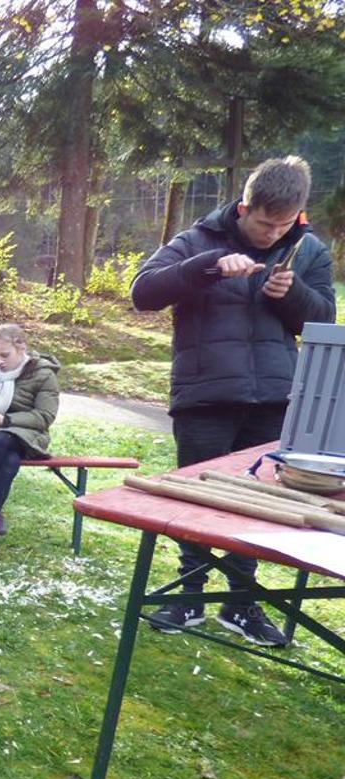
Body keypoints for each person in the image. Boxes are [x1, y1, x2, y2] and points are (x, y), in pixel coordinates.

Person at [131, 155, 336, 647]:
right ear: (244, 208)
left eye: (283, 225)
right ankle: (188, 597)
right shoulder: (198, 240)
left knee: (260, 505)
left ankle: (240, 604)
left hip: (274, 400)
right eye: (265, 224)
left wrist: (291, 294)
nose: (273, 234)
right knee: (198, 501)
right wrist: (208, 268)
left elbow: (323, 323)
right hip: (205, 398)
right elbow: (143, 292)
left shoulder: (308, 250)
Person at [0, 324, 60, 554]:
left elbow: (44, 416)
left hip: (30, 438)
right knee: (7, 453)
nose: (0, 362)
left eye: (5, 355)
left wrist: (6, 421)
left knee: (2, 440)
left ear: (21, 347)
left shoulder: (44, 375)